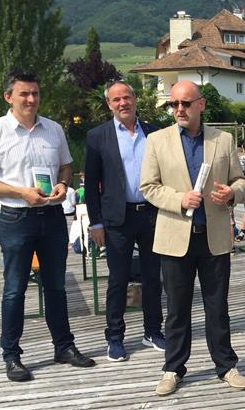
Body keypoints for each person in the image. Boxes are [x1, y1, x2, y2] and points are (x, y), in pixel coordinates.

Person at [0, 70, 96, 382]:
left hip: (52, 217)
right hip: (16, 218)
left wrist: (63, 184)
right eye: (24, 94)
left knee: (57, 286)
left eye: (35, 93)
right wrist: (20, 193)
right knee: (14, 290)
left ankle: (64, 347)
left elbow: (66, 167)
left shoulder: (53, 129)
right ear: (8, 97)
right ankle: (11, 356)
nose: (31, 99)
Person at [139, 80, 245, 395]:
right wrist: (179, 199)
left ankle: (226, 366)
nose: (179, 109)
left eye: (185, 103)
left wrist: (232, 194)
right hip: (175, 236)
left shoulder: (223, 139)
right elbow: (148, 186)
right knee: (176, 309)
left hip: (213, 236)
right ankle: (173, 369)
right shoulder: (157, 140)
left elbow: (240, 180)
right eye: (174, 104)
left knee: (218, 307)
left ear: (201, 104)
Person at [84, 80, 164, 362]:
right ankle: (115, 337)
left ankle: (153, 331)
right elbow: (91, 184)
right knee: (118, 280)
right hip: (117, 218)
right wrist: (95, 223)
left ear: (135, 99)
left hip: (151, 214)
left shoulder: (154, 133)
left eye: (126, 97)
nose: (123, 103)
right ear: (109, 104)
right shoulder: (98, 136)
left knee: (153, 277)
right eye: (116, 99)